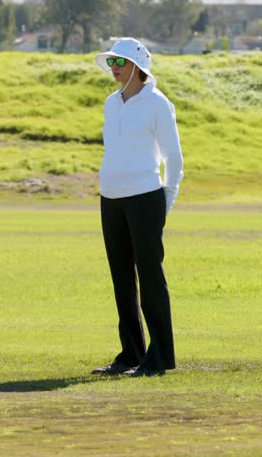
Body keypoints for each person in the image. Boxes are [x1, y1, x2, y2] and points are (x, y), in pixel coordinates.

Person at [90, 38, 184, 378]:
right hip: (110, 198)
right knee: (121, 278)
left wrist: (166, 199)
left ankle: (158, 358)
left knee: (150, 276)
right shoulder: (111, 104)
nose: (114, 70)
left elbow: (173, 157)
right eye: (112, 63)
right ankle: (131, 353)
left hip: (145, 197)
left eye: (121, 63)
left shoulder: (158, 104)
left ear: (138, 68)